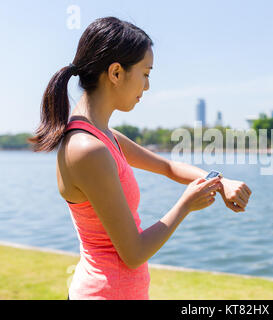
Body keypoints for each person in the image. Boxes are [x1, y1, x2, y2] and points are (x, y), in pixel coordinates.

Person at [27, 16, 252, 300]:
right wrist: (184, 205)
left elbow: (168, 166)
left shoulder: (105, 136)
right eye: (145, 74)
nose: (146, 86)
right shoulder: (87, 149)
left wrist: (222, 181)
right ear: (116, 73)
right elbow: (133, 253)